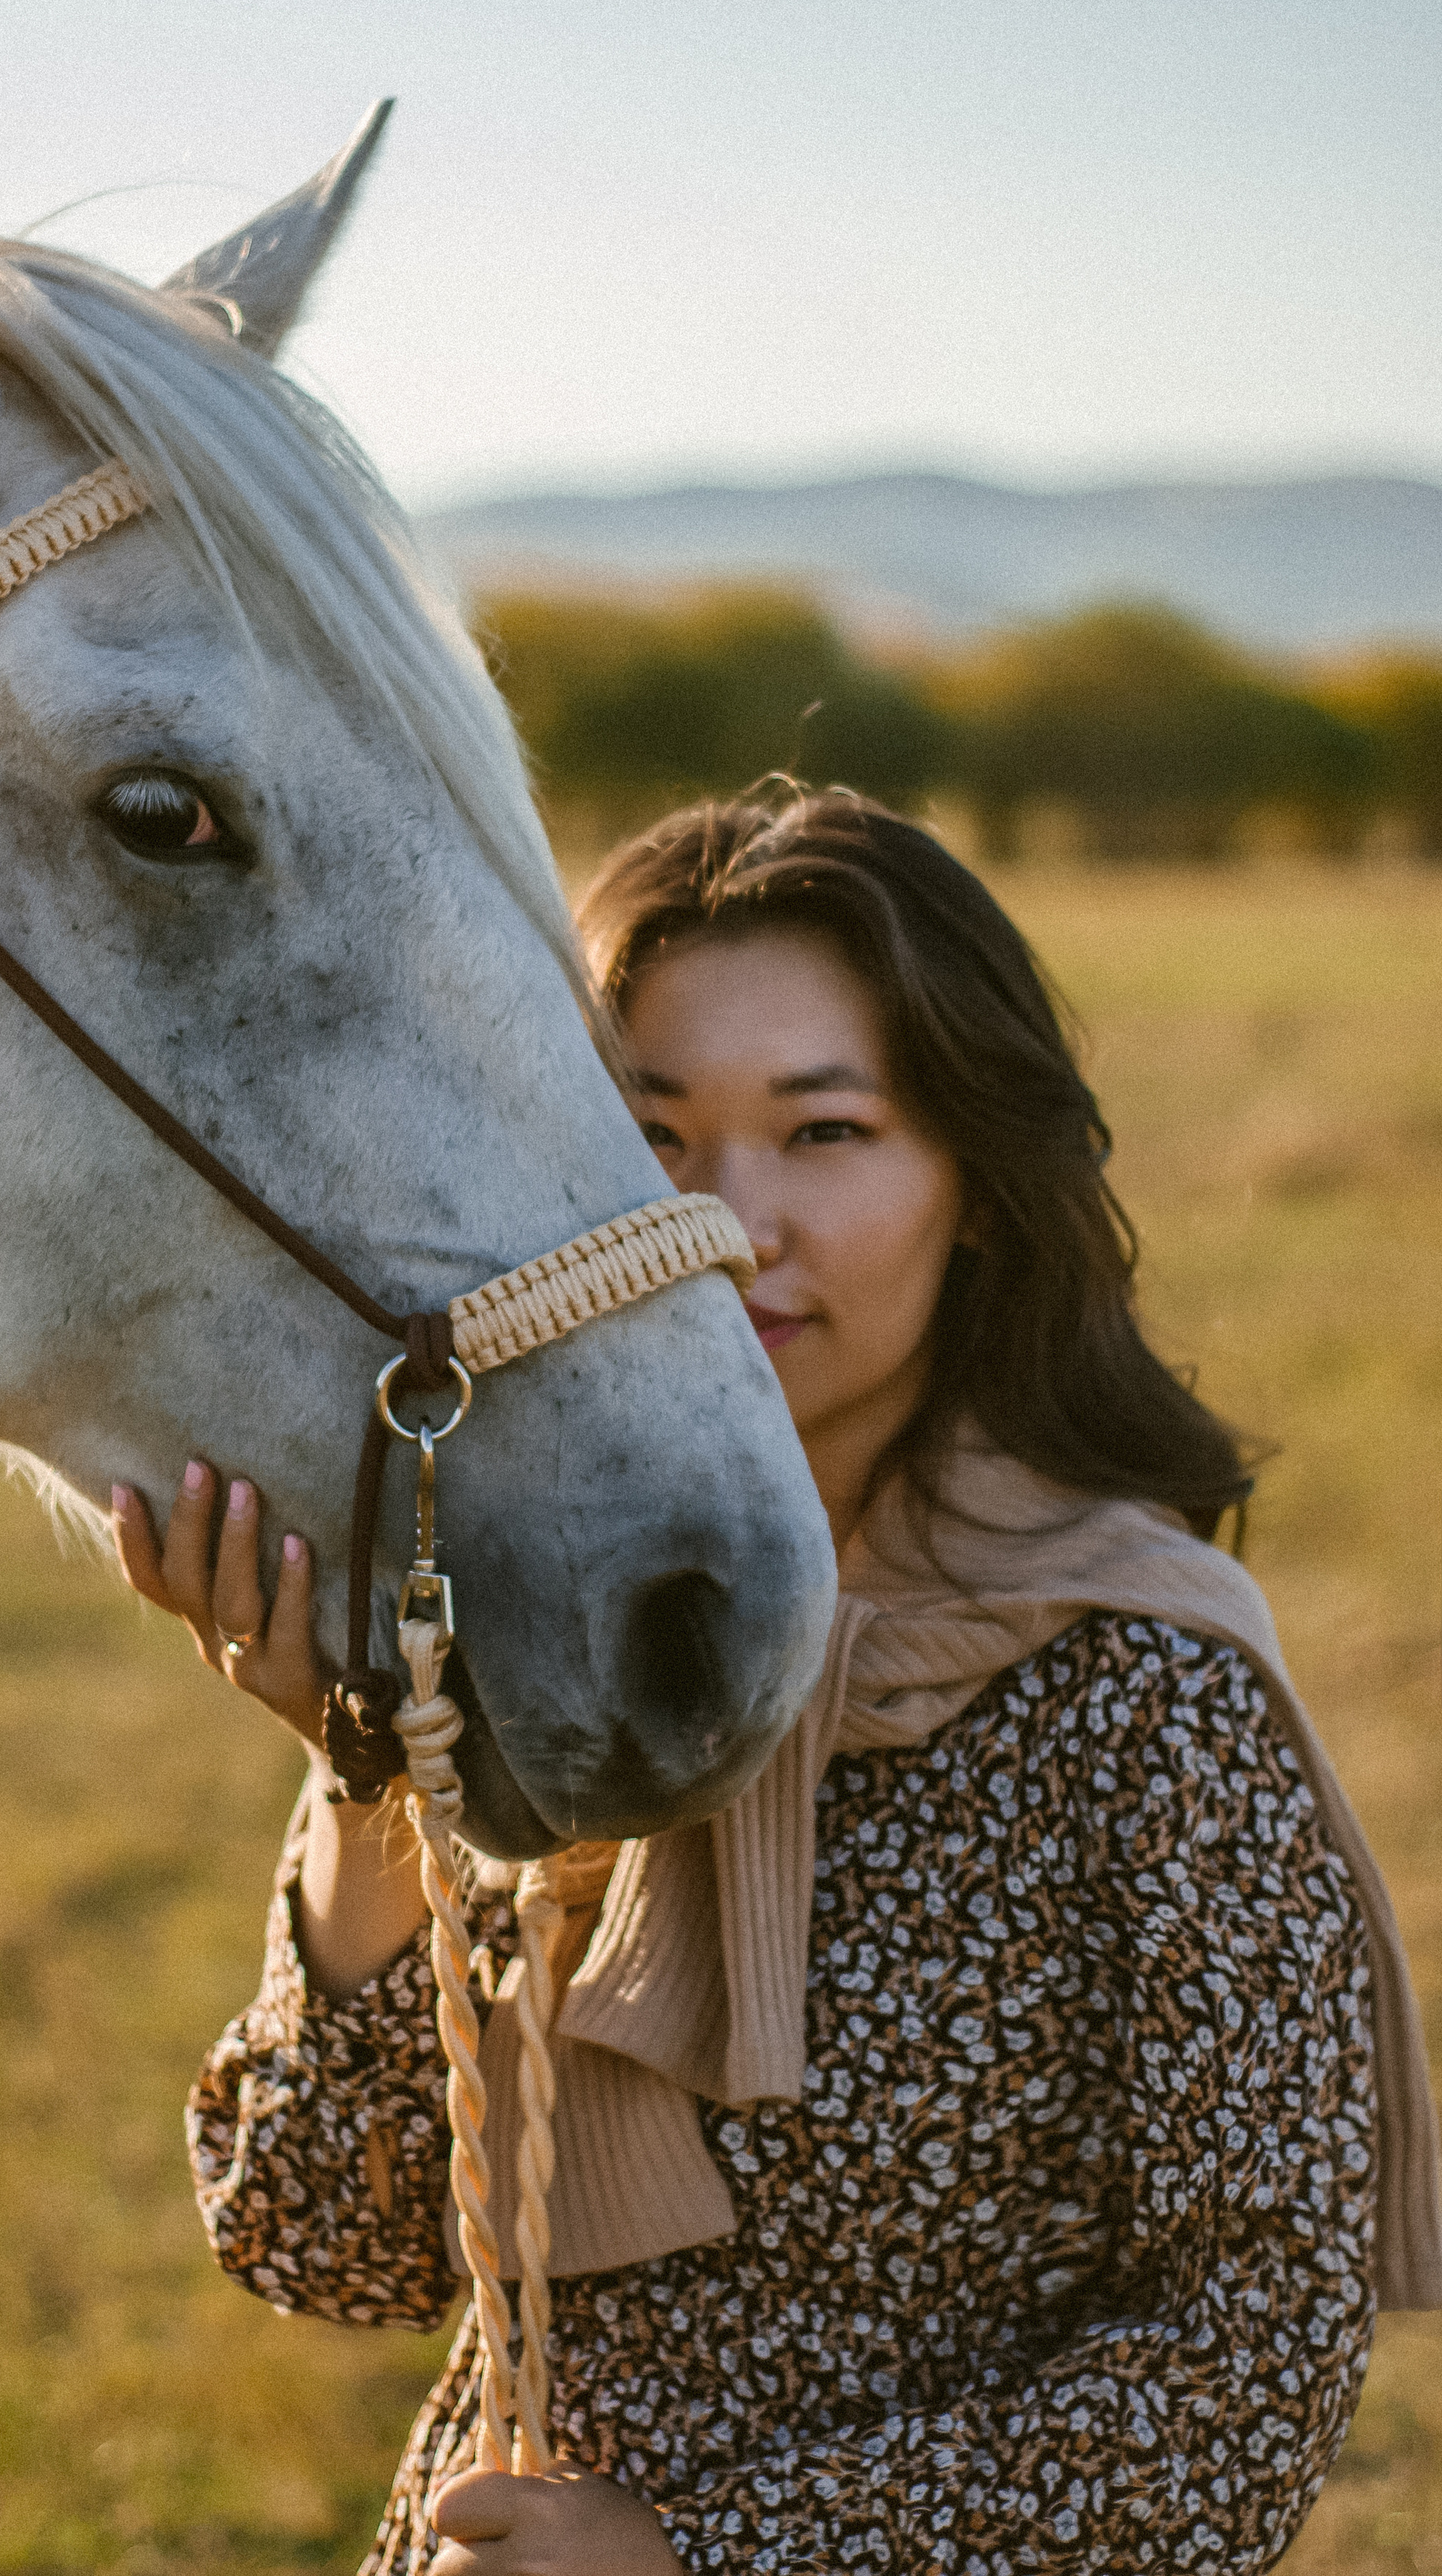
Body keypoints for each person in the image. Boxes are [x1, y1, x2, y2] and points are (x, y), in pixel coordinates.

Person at [114, 784, 1439, 2575]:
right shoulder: (535, 1633)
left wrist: (697, 2555)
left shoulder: (1142, 1692)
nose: (726, 1221)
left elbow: (1239, 2389)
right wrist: (363, 1776)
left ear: (971, 1183)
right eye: (647, 1136)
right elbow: (316, 2244)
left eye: (823, 1132)